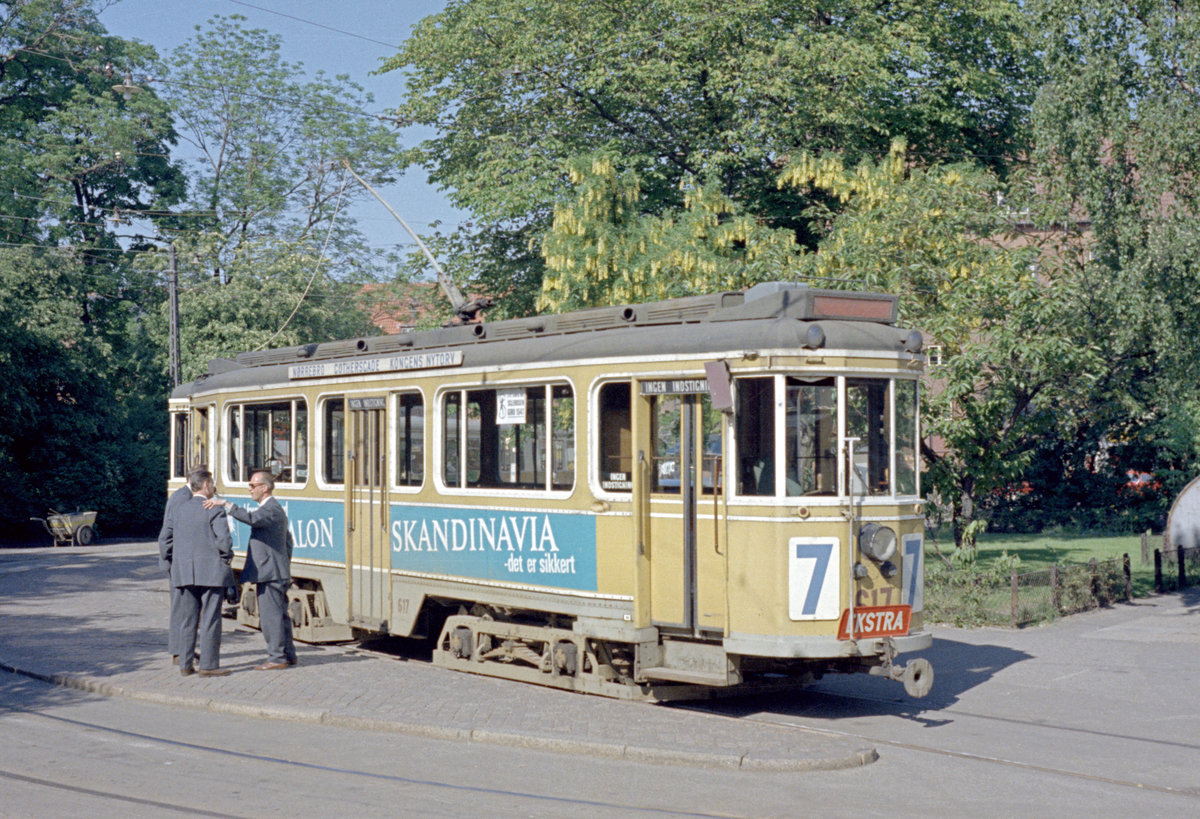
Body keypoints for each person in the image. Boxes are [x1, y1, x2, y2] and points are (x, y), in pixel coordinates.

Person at [214, 471, 297, 670]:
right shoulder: (273, 509)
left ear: (264, 488)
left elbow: (252, 518)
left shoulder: (271, 509)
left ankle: (277, 658)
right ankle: (288, 655)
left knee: (271, 618)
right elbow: (288, 543)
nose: (249, 488)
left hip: (270, 573)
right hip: (274, 571)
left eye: (252, 485)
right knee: (280, 616)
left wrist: (227, 505)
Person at [161, 469, 233, 677]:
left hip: (184, 574)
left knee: (188, 619)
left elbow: (165, 540)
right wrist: (225, 556)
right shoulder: (214, 509)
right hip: (211, 572)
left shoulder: (179, 509)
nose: (213, 487)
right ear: (205, 485)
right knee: (210, 619)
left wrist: (174, 563)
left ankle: (185, 664)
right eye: (211, 483)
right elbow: (224, 542)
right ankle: (209, 666)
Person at [157, 465, 207, 666]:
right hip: (179, 562)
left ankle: (183, 650)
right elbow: (168, 533)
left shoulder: (181, 495)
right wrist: (170, 559)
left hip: (179, 560)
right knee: (181, 609)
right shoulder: (183, 498)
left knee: (184, 608)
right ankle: (179, 652)